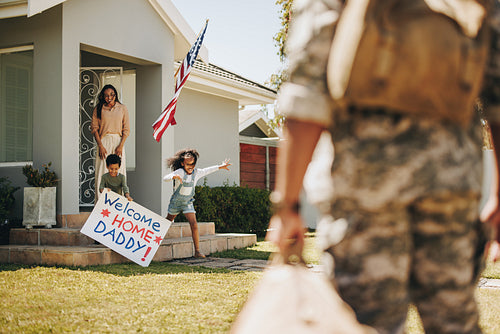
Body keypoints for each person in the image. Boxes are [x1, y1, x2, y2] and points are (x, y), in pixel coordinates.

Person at [266, 1, 500, 333]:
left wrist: (287, 204)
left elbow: (307, 88)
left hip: (363, 186)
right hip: (451, 183)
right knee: (454, 321)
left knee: (365, 323)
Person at [163, 148, 231, 258]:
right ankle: (154, 242)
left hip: (188, 202)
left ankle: (197, 251)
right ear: (182, 163)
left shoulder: (196, 173)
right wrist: (173, 176)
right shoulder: (180, 172)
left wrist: (220, 166)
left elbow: (208, 170)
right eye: (188, 164)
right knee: (167, 222)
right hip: (176, 202)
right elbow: (165, 178)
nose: (191, 166)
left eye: (193, 164)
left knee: (194, 224)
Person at [91, 84, 130, 203]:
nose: (109, 97)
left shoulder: (122, 108)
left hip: (118, 141)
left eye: (112, 94)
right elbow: (94, 129)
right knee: (103, 170)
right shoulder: (98, 109)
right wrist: (100, 145)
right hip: (104, 142)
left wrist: (121, 145)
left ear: (115, 95)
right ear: (103, 96)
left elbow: (126, 129)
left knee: (118, 172)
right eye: (107, 95)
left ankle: (119, 203)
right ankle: (101, 204)